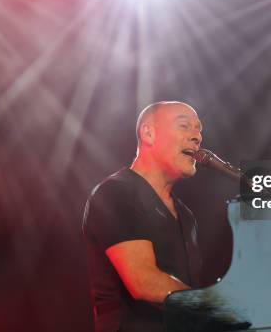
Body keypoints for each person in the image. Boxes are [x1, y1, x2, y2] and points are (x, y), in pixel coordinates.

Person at [82, 101, 204, 332]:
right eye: (184, 126)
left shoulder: (186, 216)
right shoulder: (117, 192)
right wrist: (218, 308)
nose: (197, 136)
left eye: (199, 129)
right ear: (148, 133)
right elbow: (144, 282)